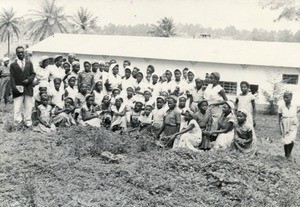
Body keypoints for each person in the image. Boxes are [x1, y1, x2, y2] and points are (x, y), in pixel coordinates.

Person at [10, 46, 36, 128]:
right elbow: (12, 77)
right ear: (16, 53)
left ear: (24, 53)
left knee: (28, 106)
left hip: (28, 88)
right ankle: (17, 123)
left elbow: (33, 74)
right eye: (19, 52)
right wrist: (14, 88)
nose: (20, 54)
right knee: (17, 107)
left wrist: (28, 80)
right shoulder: (13, 65)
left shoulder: (29, 63)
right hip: (18, 89)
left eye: (22, 52)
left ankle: (28, 123)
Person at [278, 92, 300, 160]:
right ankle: (286, 154)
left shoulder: (294, 104)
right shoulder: (281, 105)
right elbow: (279, 116)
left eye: (287, 97)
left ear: (291, 98)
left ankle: (289, 154)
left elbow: (296, 111)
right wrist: (279, 127)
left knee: (292, 137)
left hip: (293, 122)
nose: (285, 99)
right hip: (285, 122)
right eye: (284, 97)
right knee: (286, 138)